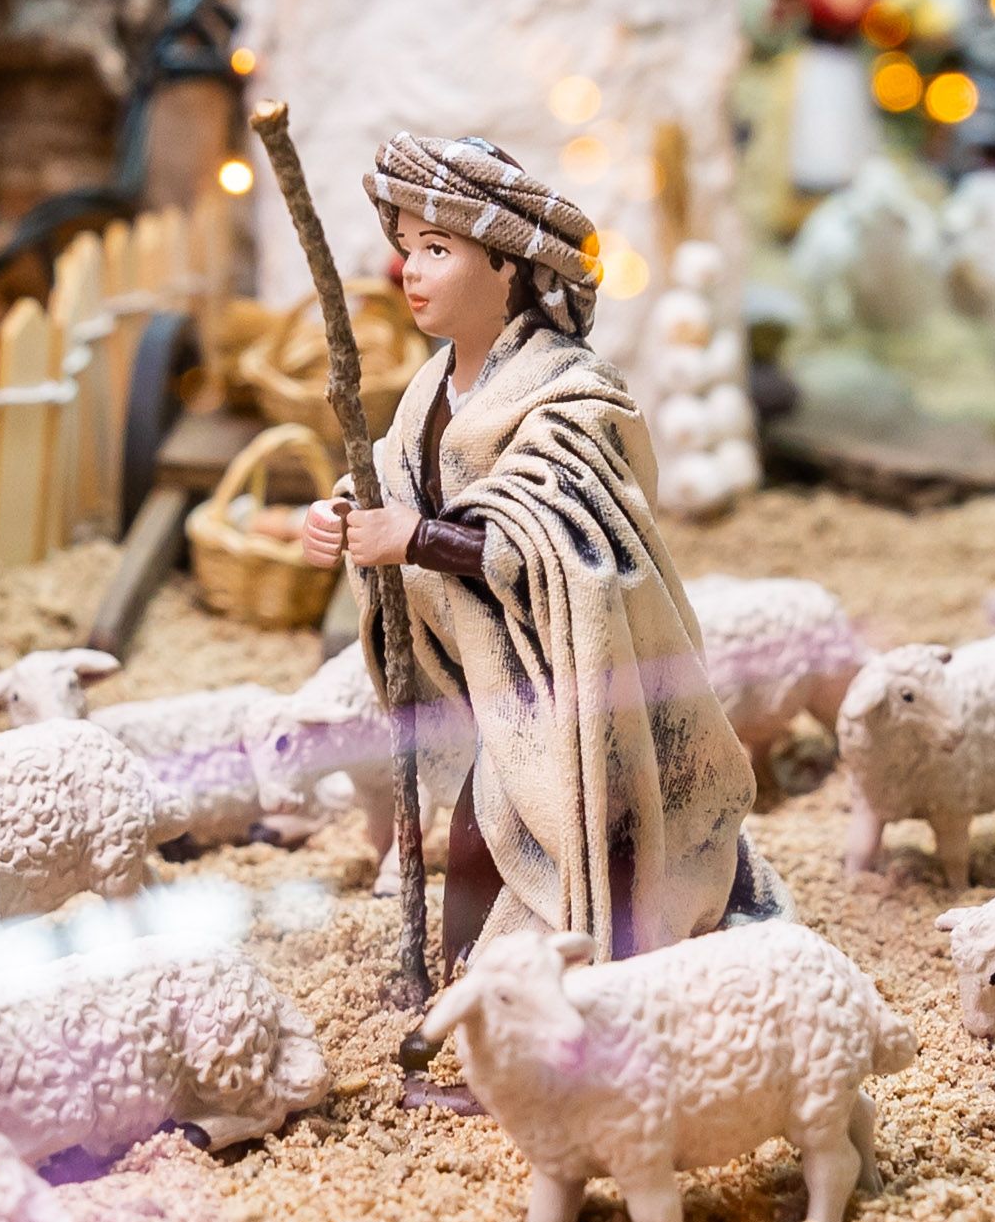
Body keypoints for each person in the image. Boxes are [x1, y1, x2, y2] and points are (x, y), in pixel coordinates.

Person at [277, 133, 760, 960]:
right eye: (407, 249)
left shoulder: (574, 391)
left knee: (540, 829)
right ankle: (488, 995)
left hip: (578, 683)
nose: (412, 272)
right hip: (496, 676)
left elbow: (570, 533)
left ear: (506, 265)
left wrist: (419, 539)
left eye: (438, 248)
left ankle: (573, 977)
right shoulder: (432, 388)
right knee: (487, 828)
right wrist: (350, 516)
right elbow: (401, 485)